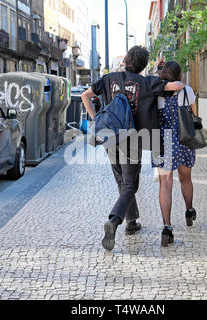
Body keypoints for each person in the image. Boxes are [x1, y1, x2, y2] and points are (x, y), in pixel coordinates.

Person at [81, 46, 185, 251]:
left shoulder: (109, 78)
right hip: (132, 138)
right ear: (144, 65)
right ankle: (114, 220)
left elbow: (85, 95)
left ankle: (131, 222)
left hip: (110, 136)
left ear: (126, 60)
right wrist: (168, 75)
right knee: (130, 185)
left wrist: (97, 119)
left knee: (122, 181)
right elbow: (176, 86)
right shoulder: (146, 82)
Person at [151, 61, 198, 247]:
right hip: (184, 138)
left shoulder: (157, 94)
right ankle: (189, 211)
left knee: (165, 183)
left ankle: (167, 228)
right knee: (185, 178)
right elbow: (194, 114)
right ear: (179, 75)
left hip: (162, 139)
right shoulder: (187, 91)